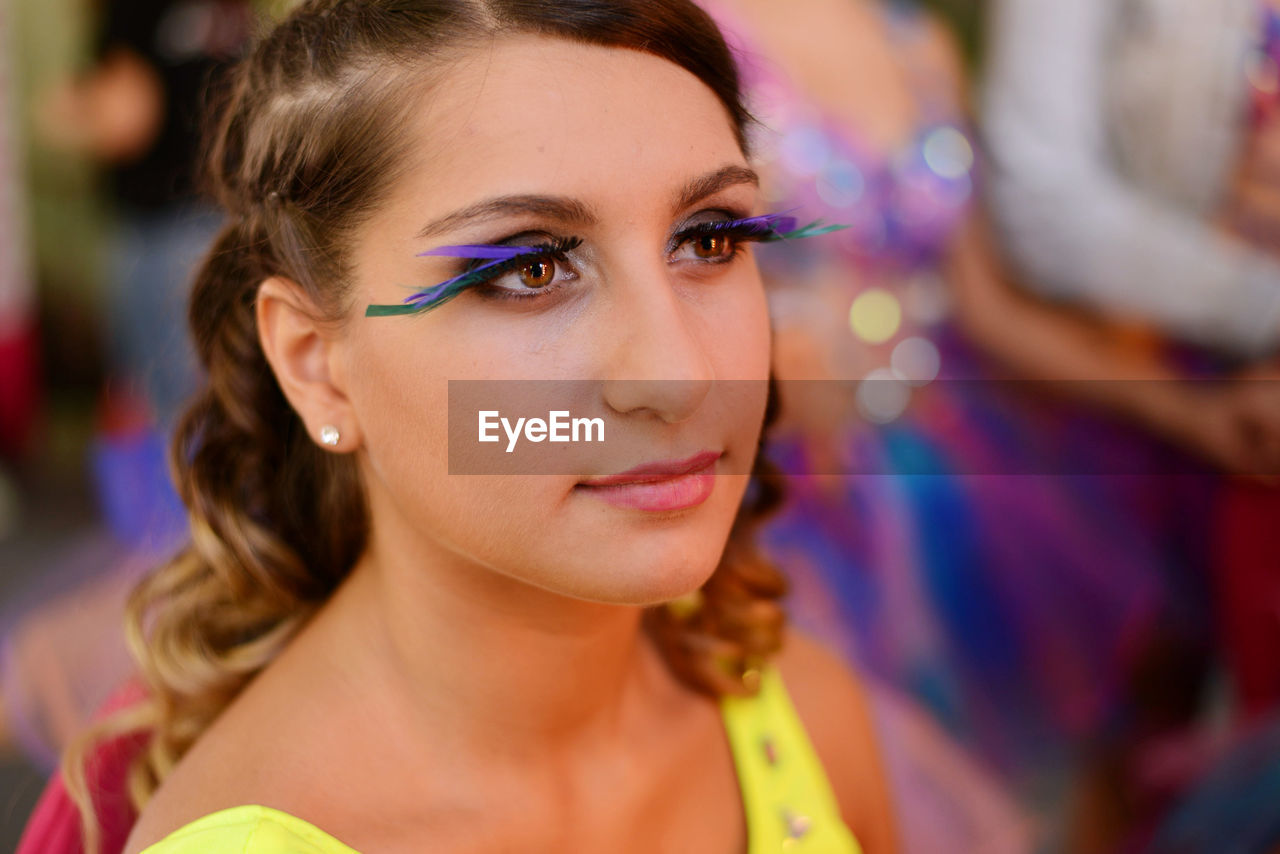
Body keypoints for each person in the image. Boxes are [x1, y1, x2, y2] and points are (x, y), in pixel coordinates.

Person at [22, 2, 903, 853]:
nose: (679, 376)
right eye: (531, 267)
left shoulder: (804, 717)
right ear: (316, 364)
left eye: (710, 239)